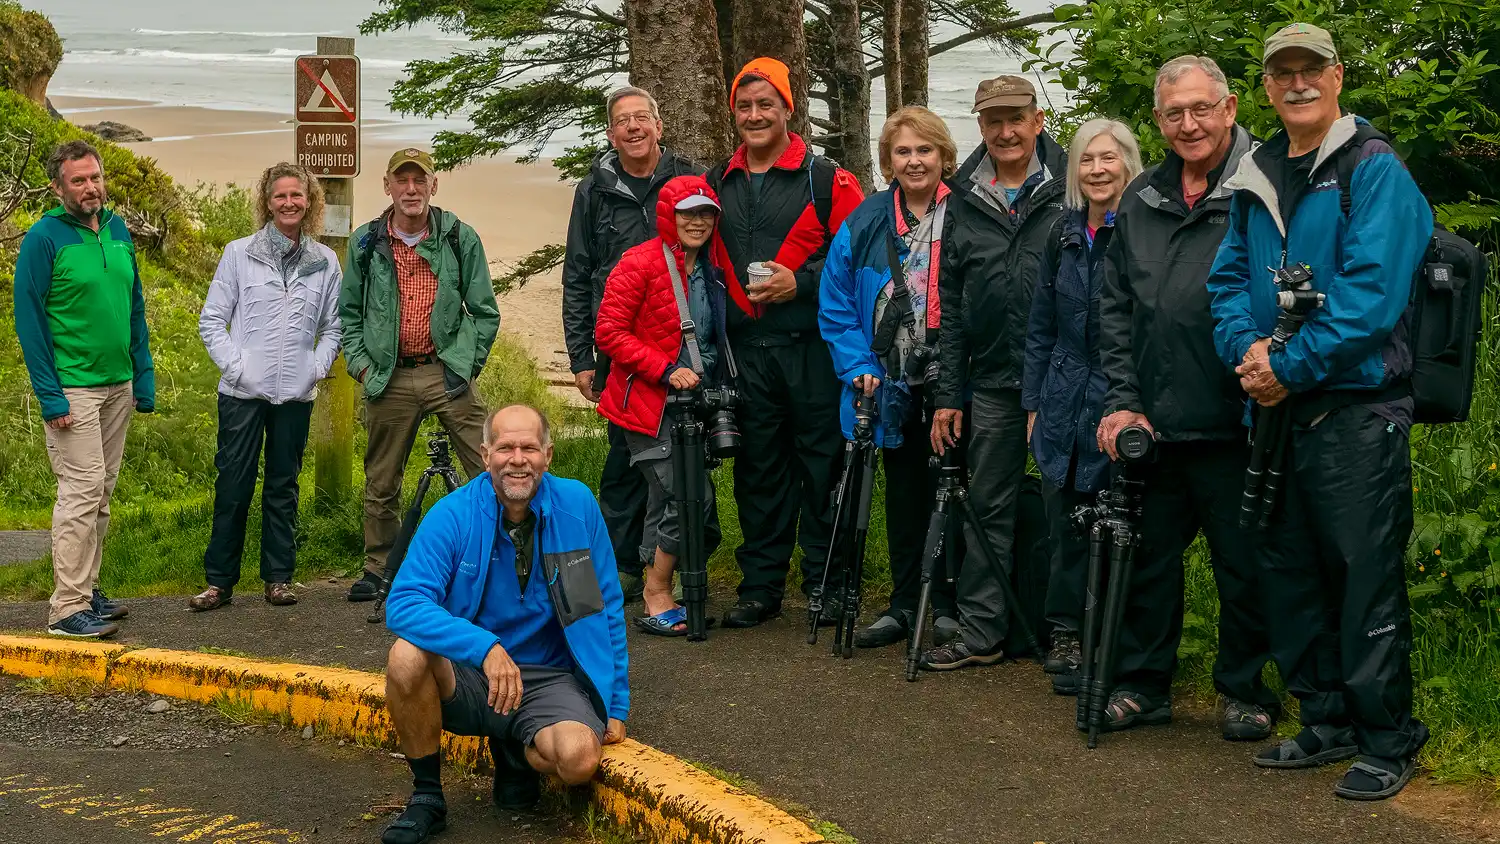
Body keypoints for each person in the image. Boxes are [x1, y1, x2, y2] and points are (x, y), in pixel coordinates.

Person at [1207, 23, 1432, 799]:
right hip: (1275, 408)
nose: (1297, 83)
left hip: (1357, 410)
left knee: (1362, 577)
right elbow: (1227, 281)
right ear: (1266, 87)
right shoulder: (1259, 171)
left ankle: (1387, 737)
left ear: (1337, 77)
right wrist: (1252, 355)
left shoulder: (1374, 170)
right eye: (1283, 73)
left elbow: (1371, 298)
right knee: (1291, 571)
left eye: (1311, 70)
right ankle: (1327, 718)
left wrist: (1288, 367)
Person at [1094, 55, 1280, 739]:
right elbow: (1115, 309)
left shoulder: (1268, 184)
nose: (1189, 123)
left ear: (1230, 108)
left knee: (1244, 566)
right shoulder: (1139, 197)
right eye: (1174, 113)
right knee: (1147, 564)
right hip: (1156, 422)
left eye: (1202, 108)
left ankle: (1244, 691)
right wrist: (1122, 399)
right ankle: (1144, 686)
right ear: (1159, 120)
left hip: (1241, 420)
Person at [381, 404, 628, 844]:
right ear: (484, 453)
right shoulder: (453, 514)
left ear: (547, 456)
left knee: (579, 761)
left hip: (548, 677)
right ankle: (427, 798)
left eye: (529, 447)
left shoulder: (577, 505)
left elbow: (605, 604)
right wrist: (484, 647)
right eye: (505, 447)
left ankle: (514, 748)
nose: (517, 459)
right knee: (405, 655)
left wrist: (617, 704)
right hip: (470, 675)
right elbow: (403, 603)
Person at [706, 57, 864, 628]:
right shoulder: (716, 182)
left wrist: (804, 281)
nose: (754, 115)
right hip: (746, 353)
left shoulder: (826, 179)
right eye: (744, 106)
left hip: (812, 349)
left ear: (787, 109)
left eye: (765, 104)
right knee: (758, 472)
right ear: (734, 113)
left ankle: (828, 582)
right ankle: (761, 587)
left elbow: (861, 258)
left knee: (823, 467)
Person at [921, 75, 1065, 671]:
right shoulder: (961, 197)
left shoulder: (1074, 182)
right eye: (993, 121)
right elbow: (950, 305)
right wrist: (950, 394)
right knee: (988, 504)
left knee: (1068, 510)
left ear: (1036, 119)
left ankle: (1068, 633)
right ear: (980, 126)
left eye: (1017, 118)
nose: (1006, 131)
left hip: (1063, 379)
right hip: (995, 379)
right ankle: (982, 633)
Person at [818, 106, 963, 649]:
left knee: (953, 491)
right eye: (903, 151)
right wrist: (858, 365)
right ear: (888, 161)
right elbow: (835, 303)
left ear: (943, 155)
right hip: (889, 383)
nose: (914, 160)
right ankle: (905, 603)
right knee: (903, 496)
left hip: (954, 383)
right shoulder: (867, 218)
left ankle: (949, 605)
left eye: (924, 150)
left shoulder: (966, 214)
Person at [563, 86, 709, 603]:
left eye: (642, 117)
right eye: (623, 120)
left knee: (682, 462)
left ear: (659, 125)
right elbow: (578, 273)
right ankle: (622, 568)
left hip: (684, 344)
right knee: (623, 463)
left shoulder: (687, 178)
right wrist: (581, 356)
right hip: (621, 348)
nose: (633, 127)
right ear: (610, 132)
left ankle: (669, 566)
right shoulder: (595, 189)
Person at [340, 148, 501, 602]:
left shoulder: (457, 237)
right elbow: (348, 314)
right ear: (387, 186)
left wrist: (466, 367)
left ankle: (499, 558)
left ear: (434, 185)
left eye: (419, 180)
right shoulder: (366, 242)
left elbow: (485, 313)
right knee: (382, 479)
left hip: (444, 371)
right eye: (401, 180)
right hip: (387, 377)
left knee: (489, 465)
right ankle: (378, 568)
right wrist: (363, 366)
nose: (411, 190)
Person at [13, 140, 154, 639]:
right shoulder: (43, 239)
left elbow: (133, 305)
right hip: (73, 389)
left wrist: (144, 374)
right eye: (79, 180)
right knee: (80, 493)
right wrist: (50, 396)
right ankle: (66, 609)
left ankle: (87, 590)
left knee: (101, 495)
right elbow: (28, 322)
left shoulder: (116, 229)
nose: (91, 187)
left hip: (118, 385)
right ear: (58, 186)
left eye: (95, 177)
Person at [1021, 119, 1142, 692]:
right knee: (1062, 519)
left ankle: (1112, 636)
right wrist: (1033, 403)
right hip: (1062, 394)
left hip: (1121, 393)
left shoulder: (1143, 231)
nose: (1097, 170)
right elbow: (1041, 325)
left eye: (1108, 159)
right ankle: (1065, 632)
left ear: (1128, 165)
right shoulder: (1062, 233)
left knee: (1117, 519)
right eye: (1087, 160)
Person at [189, 162, 343, 611]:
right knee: (233, 485)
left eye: (297, 195)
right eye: (280, 196)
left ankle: (279, 578)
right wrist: (237, 368)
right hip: (241, 394)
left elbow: (333, 328)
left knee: (283, 485)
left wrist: (315, 367)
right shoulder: (239, 253)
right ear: (267, 202)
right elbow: (212, 320)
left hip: (296, 394)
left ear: (310, 201)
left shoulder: (325, 262)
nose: (289, 203)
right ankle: (219, 583)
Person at [594, 175, 733, 635]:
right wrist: (665, 368)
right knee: (685, 495)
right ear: (668, 216)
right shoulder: (640, 262)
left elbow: (711, 338)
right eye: (687, 213)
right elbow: (609, 332)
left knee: (665, 500)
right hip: (647, 405)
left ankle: (662, 585)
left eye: (705, 212)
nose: (697, 221)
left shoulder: (710, 270)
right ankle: (656, 591)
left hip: (692, 406)